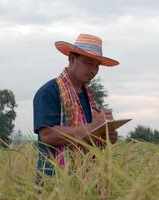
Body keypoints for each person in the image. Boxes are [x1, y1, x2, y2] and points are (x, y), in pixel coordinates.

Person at [33, 33, 119, 179]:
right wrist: (93, 127)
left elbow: (88, 135)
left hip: (86, 180)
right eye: (88, 62)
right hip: (53, 182)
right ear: (72, 59)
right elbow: (47, 135)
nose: (93, 70)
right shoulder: (49, 92)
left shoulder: (89, 96)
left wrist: (106, 136)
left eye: (97, 66)